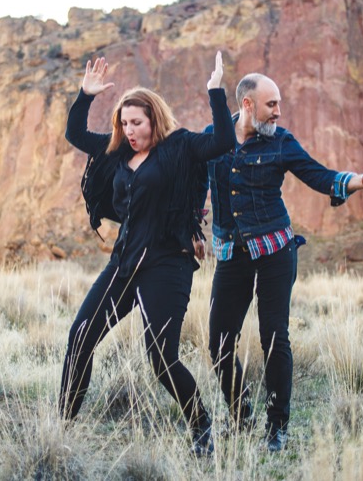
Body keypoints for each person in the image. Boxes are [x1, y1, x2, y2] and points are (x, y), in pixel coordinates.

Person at [202, 72, 363, 452]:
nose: (278, 112)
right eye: (271, 104)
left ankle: (277, 428)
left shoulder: (282, 142)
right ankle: (241, 419)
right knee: (219, 342)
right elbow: (195, 179)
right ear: (247, 105)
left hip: (275, 250)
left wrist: (361, 181)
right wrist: (192, 220)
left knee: (274, 337)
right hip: (231, 254)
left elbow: (317, 175)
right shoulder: (214, 137)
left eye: (279, 104)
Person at [59, 52, 234, 456]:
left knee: (161, 359)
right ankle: (63, 429)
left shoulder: (182, 146)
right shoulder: (118, 152)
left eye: (136, 122)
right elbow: (75, 134)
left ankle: (201, 425)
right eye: (123, 123)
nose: (129, 130)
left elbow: (223, 141)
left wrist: (216, 93)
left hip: (167, 264)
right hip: (123, 264)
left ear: (154, 118)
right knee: (80, 337)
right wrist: (85, 96)